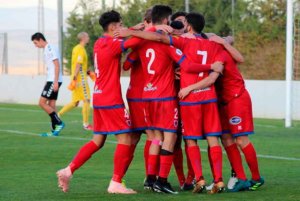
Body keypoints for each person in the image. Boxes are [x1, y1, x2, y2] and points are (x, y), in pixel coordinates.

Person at [115, 5, 224, 194]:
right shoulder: (168, 46)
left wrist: (133, 34)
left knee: (154, 137)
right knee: (171, 137)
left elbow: (126, 64)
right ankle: (162, 180)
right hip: (165, 97)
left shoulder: (140, 44)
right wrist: (210, 65)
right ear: (166, 21)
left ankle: (150, 178)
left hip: (145, 96)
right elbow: (188, 65)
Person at [56, 10, 145, 194]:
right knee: (126, 138)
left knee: (98, 140)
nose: (122, 27)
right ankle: (116, 183)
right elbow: (136, 41)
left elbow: (125, 37)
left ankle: (68, 170)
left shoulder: (99, 42)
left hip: (99, 97)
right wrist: (144, 31)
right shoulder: (113, 44)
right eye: (120, 25)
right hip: (111, 99)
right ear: (113, 27)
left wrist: (132, 28)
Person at [179, 34, 264, 192]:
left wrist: (189, 88)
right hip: (223, 102)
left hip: (236, 98)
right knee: (225, 139)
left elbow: (212, 78)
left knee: (241, 139)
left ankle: (256, 178)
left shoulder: (220, 53)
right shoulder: (211, 51)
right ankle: (242, 178)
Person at [58, 32, 94, 131]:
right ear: (83, 38)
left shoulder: (76, 48)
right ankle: (86, 124)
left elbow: (79, 65)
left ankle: (58, 115)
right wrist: (75, 77)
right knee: (86, 100)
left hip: (78, 77)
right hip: (80, 79)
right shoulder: (81, 49)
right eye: (87, 36)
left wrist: (88, 72)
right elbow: (78, 64)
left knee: (75, 102)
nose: (88, 37)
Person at [31, 32, 65, 136]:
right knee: (51, 104)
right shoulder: (47, 49)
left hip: (53, 80)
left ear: (40, 39)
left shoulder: (50, 48)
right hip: (52, 80)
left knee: (41, 102)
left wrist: (54, 82)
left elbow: (57, 65)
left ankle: (59, 122)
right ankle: (55, 130)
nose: (36, 46)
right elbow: (50, 68)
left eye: (36, 43)